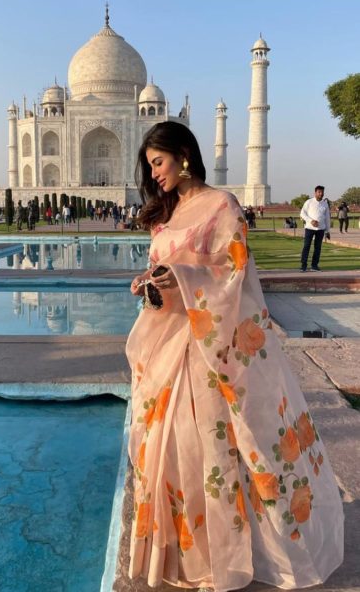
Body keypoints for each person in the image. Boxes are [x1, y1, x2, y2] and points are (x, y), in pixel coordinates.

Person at [127, 122, 343, 591]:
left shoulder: (221, 205)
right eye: (149, 167)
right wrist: (152, 282)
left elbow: (233, 273)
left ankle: (224, 555)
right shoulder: (172, 209)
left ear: (183, 154)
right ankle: (188, 554)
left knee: (213, 448)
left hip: (209, 347)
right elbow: (165, 265)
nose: (155, 175)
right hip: (170, 344)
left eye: (158, 163)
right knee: (172, 446)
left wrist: (183, 277)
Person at [299, 186, 331, 272]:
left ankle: (314, 266)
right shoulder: (309, 202)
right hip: (309, 228)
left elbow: (327, 218)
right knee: (306, 246)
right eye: (319, 192)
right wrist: (311, 221)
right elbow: (302, 213)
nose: (321, 194)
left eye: (322, 192)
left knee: (318, 248)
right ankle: (303, 266)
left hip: (321, 229)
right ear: (315, 193)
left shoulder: (325, 204)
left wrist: (328, 231)